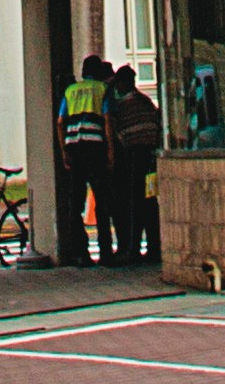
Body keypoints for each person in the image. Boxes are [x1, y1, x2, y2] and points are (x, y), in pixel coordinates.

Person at [99, 62, 165, 268]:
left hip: (134, 156)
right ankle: (154, 246)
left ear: (121, 84)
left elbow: (118, 133)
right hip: (151, 157)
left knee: (134, 202)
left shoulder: (122, 107)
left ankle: (133, 248)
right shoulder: (145, 101)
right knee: (149, 202)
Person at [56, 55, 111, 265]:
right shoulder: (102, 89)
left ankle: (81, 253)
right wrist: (111, 152)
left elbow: (60, 122)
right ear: (98, 72)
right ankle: (105, 253)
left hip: (74, 148)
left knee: (75, 203)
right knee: (102, 201)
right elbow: (107, 120)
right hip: (95, 147)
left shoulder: (70, 91)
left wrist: (64, 152)